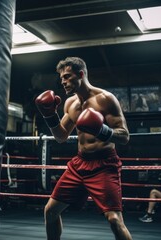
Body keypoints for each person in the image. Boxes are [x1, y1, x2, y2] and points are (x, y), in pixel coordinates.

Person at [35, 57, 133, 240]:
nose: (63, 81)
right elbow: (61, 137)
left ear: (81, 74)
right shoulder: (70, 103)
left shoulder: (105, 99)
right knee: (50, 211)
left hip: (104, 164)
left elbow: (124, 136)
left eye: (67, 76)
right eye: (61, 78)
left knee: (114, 220)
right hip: (80, 164)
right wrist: (49, 116)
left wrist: (101, 130)